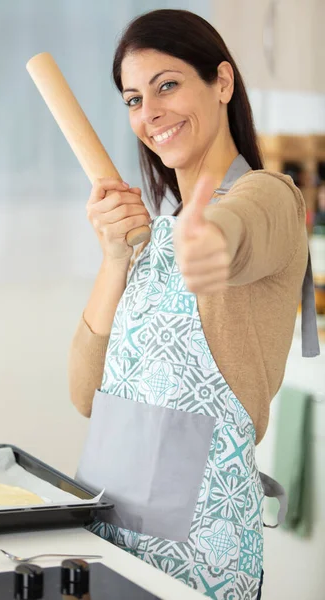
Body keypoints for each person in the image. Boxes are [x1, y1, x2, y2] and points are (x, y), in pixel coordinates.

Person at [68, 9, 319, 600]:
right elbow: (85, 396)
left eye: (168, 85)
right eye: (133, 99)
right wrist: (112, 259)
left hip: (198, 558)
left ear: (223, 83)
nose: (150, 112)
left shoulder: (271, 197)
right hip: (106, 535)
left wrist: (214, 242)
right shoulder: (153, 238)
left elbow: (238, 229)